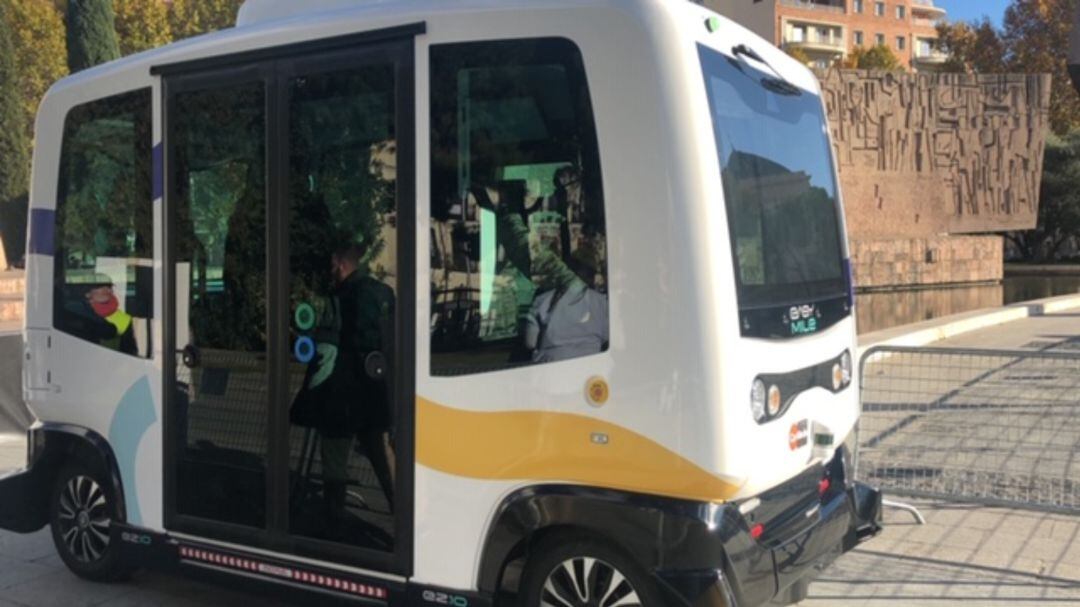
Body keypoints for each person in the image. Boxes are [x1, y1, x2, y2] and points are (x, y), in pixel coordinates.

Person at [318, 243, 397, 526]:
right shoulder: (384, 292)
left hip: (346, 389)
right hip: (378, 387)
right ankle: (403, 514)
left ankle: (334, 514)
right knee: (383, 454)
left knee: (335, 451)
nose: (330, 271)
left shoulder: (342, 296)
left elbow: (335, 341)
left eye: (331, 265)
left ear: (340, 264)